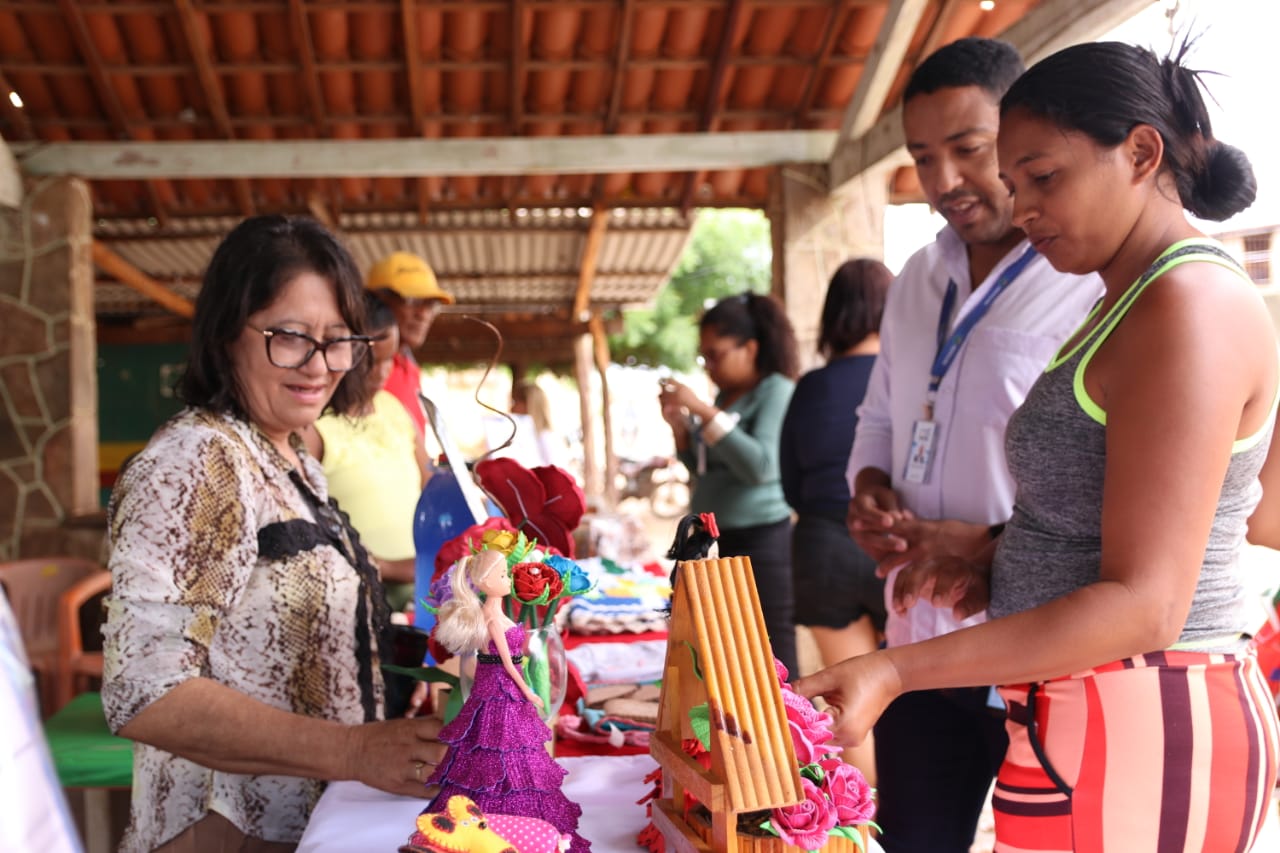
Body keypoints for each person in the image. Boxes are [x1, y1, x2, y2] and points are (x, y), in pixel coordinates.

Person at [800, 40, 1279, 851]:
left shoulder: (1187, 303)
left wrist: (894, 668)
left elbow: (1147, 601)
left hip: (1144, 712)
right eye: (1016, 185)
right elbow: (1102, 508)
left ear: (1139, 152)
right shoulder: (1123, 298)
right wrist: (995, 554)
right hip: (1082, 705)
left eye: (1043, 177)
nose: (1022, 209)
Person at [101, 215, 445, 853]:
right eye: (291, 336)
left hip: (313, 824)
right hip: (224, 833)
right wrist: (352, 750)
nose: (320, 365)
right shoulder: (201, 458)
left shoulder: (290, 459)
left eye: (339, 340)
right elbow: (144, 691)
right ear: (229, 330)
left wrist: (394, 666)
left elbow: (268, 632)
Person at [840, 38, 1102, 852]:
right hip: (919, 630)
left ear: (1026, 137)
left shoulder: (1088, 276)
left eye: (969, 149)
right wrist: (872, 487)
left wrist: (991, 546)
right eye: (922, 156)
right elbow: (881, 411)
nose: (943, 180)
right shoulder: (919, 275)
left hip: (1035, 633)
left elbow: (1110, 475)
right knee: (914, 835)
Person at [779, 257, 892, 781]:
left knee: (851, 707)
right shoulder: (907, 379)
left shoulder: (812, 387)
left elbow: (792, 487)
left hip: (824, 545)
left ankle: (862, 828)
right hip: (900, 547)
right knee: (912, 698)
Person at [658, 292, 800, 678]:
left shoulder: (775, 390)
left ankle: (788, 733)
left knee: (771, 647)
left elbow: (761, 466)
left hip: (760, 539)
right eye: (705, 357)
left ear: (750, 347)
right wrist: (681, 429)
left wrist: (705, 411)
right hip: (715, 537)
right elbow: (706, 469)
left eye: (715, 354)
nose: (709, 366)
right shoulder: (727, 395)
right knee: (727, 646)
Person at [423, 550, 588, 853]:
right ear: (485, 582)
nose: (507, 579)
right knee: (499, 743)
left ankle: (521, 827)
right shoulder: (492, 620)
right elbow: (509, 664)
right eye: (501, 575)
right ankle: (499, 825)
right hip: (501, 686)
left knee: (507, 744)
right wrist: (529, 691)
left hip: (495, 683)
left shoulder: (496, 614)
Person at [305, 292, 432, 614]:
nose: (382, 372)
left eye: (390, 358)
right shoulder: (315, 428)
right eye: (370, 361)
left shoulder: (396, 410)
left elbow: (431, 488)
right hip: (357, 601)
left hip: (421, 593)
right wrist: (386, 567)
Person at [366, 250, 455, 438]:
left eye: (430, 304)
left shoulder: (409, 367)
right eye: (412, 301)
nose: (423, 314)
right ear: (375, 302)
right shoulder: (358, 370)